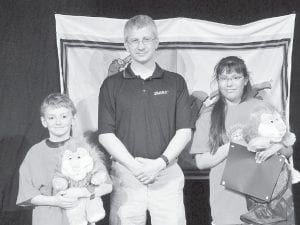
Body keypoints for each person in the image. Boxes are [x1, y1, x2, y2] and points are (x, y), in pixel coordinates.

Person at [98, 15, 193, 225]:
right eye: (134, 40)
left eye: (146, 39)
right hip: (126, 176)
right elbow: (106, 135)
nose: (141, 46)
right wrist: (136, 168)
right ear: (126, 44)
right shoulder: (111, 85)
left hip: (167, 174)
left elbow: (184, 130)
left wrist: (159, 164)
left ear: (156, 42)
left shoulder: (176, 82)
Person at [190, 56, 293, 225]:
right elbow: (201, 162)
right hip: (226, 203)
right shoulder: (209, 115)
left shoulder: (262, 108)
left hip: (266, 205)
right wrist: (234, 145)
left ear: (245, 80)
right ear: (218, 82)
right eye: (224, 78)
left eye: (236, 78)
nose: (229, 84)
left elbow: (288, 150)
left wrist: (274, 147)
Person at [17, 93, 112, 225]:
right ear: (44, 121)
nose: (58, 122)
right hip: (47, 220)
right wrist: (55, 201)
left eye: (64, 116)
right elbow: (27, 194)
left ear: (73, 119)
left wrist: (82, 192)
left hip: (81, 219)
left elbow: (107, 186)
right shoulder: (35, 153)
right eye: (51, 117)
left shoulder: (85, 149)